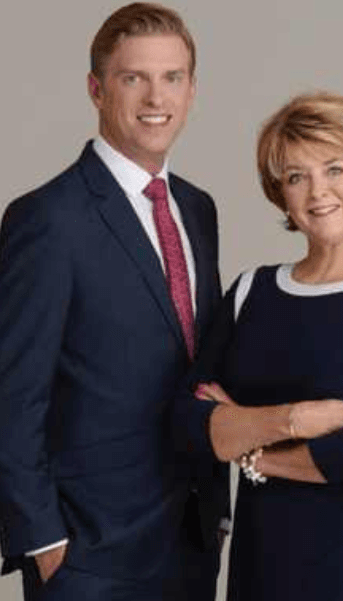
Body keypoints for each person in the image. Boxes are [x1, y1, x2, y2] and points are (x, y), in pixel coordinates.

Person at [0, 3, 228, 600]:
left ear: (192, 88)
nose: (157, 96)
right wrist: (45, 541)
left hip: (192, 540)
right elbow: (12, 393)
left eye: (172, 77)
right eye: (135, 78)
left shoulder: (197, 210)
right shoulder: (48, 219)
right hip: (88, 557)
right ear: (97, 89)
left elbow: (198, 365)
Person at [174, 91, 343, 601]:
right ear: (283, 196)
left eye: (334, 168)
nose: (318, 191)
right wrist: (292, 419)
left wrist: (252, 452)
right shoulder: (253, 292)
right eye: (297, 176)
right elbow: (185, 419)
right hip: (264, 540)